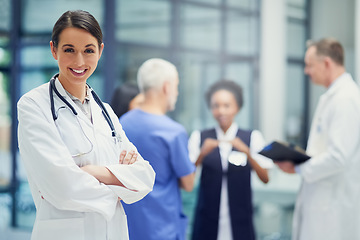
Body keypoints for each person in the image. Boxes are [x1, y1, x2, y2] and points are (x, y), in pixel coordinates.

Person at [17, 10, 155, 240]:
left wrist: (91, 172)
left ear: (100, 51)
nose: (79, 61)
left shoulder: (106, 112)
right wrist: (119, 186)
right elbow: (62, 186)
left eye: (88, 50)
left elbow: (145, 176)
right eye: (69, 50)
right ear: (54, 50)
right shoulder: (34, 105)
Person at [276, 38, 360, 240]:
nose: (306, 71)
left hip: (333, 211)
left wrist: (297, 168)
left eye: (309, 65)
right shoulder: (332, 97)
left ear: (327, 64)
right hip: (323, 204)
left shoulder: (345, 99)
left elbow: (339, 157)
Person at [120, 58, 196, 240]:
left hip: (129, 228)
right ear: (167, 87)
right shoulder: (173, 132)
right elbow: (188, 184)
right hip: (162, 229)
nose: (177, 93)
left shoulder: (122, 124)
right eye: (176, 87)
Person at [189, 80, 273, 240]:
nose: (221, 111)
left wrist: (247, 153)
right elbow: (188, 180)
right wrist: (201, 154)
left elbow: (265, 178)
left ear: (237, 107)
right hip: (207, 218)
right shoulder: (199, 137)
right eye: (215, 106)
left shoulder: (252, 137)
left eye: (227, 105)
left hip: (240, 219)